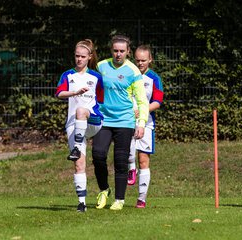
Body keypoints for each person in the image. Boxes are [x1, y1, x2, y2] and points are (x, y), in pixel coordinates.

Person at [92, 35, 149, 211]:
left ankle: (119, 199)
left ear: (128, 52)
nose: (118, 54)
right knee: (98, 154)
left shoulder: (133, 71)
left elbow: (142, 101)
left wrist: (141, 123)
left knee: (120, 160)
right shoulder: (101, 66)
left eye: (122, 51)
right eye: (115, 50)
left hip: (125, 121)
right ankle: (104, 189)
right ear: (111, 51)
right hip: (104, 119)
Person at [55, 39, 104, 212]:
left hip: (93, 120)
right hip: (74, 125)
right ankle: (82, 203)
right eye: (77, 56)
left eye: (83, 56)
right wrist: (75, 92)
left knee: (82, 110)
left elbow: (102, 99)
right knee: (79, 164)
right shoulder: (68, 75)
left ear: (89, 57)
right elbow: (60, 93)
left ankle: (76, 147)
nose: (79, 59)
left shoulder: (96, 77)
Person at [127, 45, 164, 209]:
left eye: (143, 60)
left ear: (150, 60)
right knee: (126, 154)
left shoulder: (154, 78)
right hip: (126, 121)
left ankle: (141, 198)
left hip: (146, 123)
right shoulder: (128, 74)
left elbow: (157, 102)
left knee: (143, 160)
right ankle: (130, 168)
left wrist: (142, 111)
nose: (140, 63)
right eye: (137, 60)